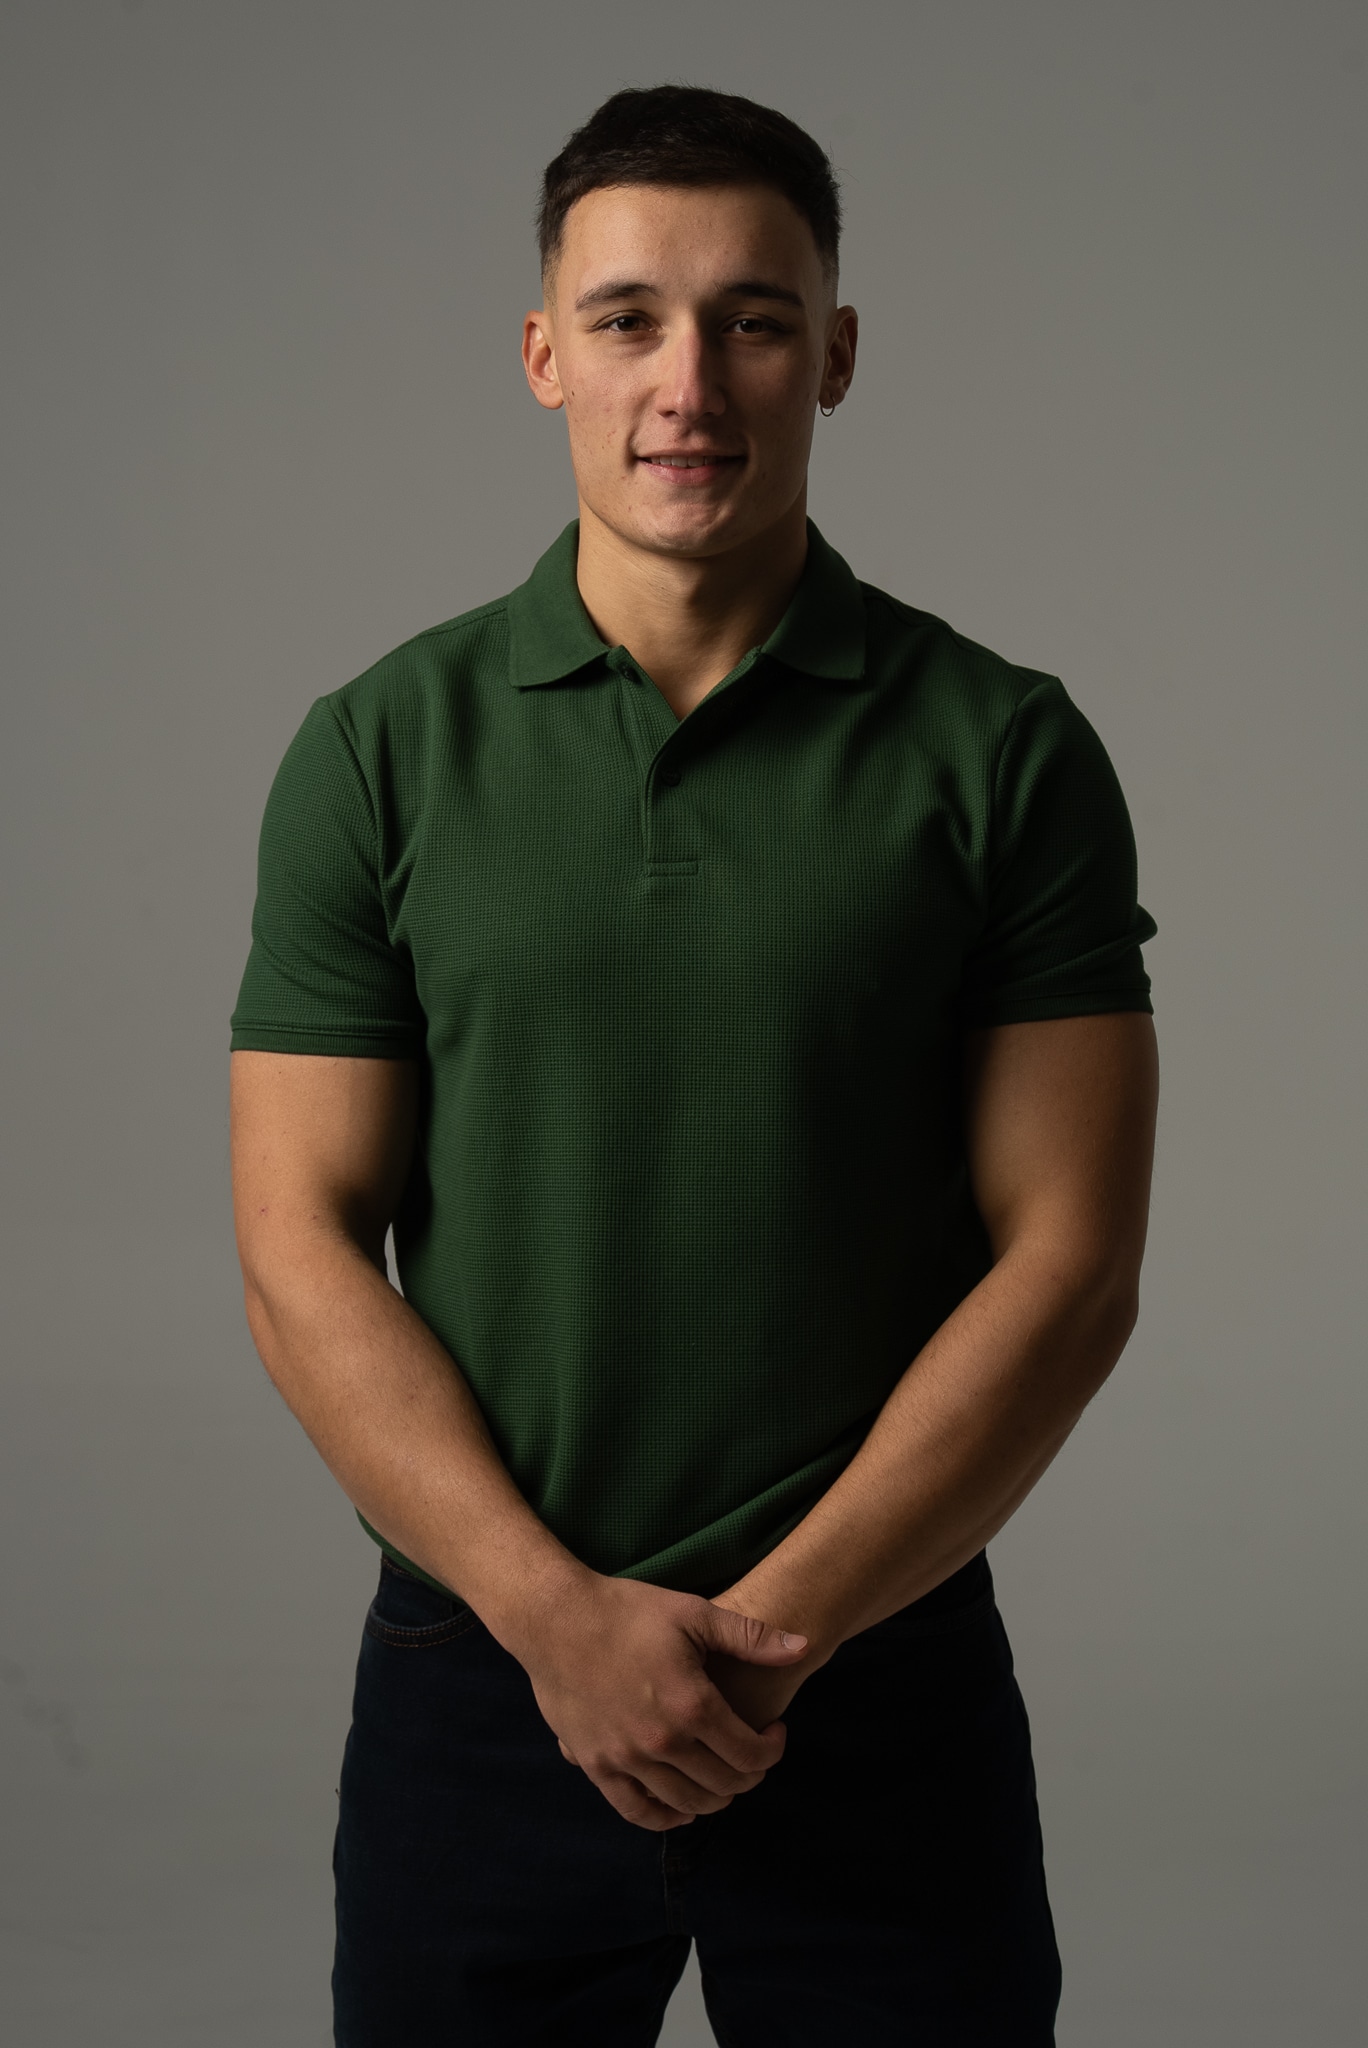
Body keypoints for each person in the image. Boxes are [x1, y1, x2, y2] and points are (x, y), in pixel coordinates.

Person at [230, 84, 1158, 2048]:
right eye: (629, 318)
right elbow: (299, 1246)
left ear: (836, 352)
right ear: (544, 355)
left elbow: (1071, 1262)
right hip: (485, 1670)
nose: (690, 382)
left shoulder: (1004, 752)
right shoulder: (378, 750)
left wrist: (776, 1639)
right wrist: (558, 1621)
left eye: (753, 319)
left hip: (874, 1671)